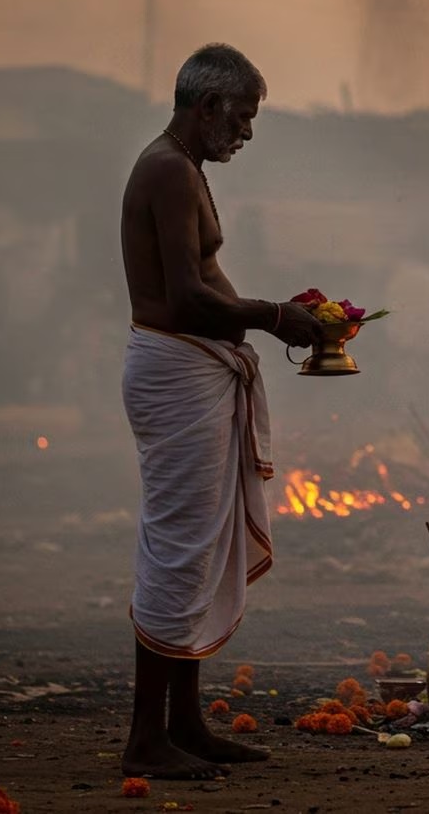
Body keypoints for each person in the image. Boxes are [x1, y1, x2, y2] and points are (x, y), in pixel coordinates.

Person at [119, 43, 322, 780]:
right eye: (239, 118)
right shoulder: (168, 170)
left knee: (198, 546)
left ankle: (184, 724)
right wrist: (270, 316)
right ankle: (147, 738)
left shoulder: (185, 167)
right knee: (178, 547)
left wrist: (281, 312)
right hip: (175, 371)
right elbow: (183, 297)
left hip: (191, 369)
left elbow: (207, 282)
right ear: (204, 108)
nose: (245, 133)